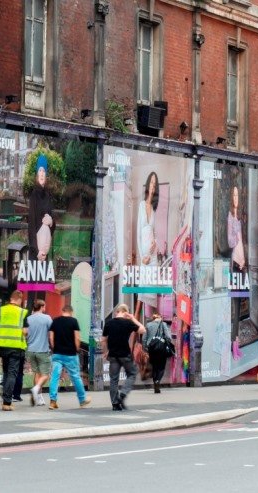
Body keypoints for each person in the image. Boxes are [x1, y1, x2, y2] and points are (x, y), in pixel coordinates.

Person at [0, 290, 29, 411]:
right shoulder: (22, 312)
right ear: (19, 299)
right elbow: (25, 331)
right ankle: (7, 402)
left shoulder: (0, 311)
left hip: (3, 347)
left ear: (11, 299)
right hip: (16, 347)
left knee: (6, 372)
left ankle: (5, 396)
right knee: (12, 373)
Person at [102, 304, 146, 410]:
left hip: (113, 355)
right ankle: (123, 394)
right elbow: (142, 330)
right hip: (125, 355)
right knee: (132, 373)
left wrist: (106, 351)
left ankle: (115, 404)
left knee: (113, 380)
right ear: (126, 313)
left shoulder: (109, 323)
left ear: (116, 312)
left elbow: (103, 339)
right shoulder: (128, 323)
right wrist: (133, 318)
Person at [48, 305, 91, 409]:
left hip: (57, 354)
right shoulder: (73, 321)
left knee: (55, 377)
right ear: (71, 312)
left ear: (62, 311)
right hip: (70, 354)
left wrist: (54, 348)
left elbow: (51, 337)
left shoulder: (55, 321)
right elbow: (77, 338)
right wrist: (77, 349)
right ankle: (82, 400)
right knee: (76, 377)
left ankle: (53, 401)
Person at [136, 171, 159, 317]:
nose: (152, 186)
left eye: (155, 184)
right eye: (151, 182)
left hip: (154, 257)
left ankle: (153, 334)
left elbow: (154, 234)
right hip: (145, 259)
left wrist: (154, 244)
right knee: (140, 299)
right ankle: (133, 338)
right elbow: (138, 235)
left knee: (153, 297)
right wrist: (142, 256)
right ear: (147, 184)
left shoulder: (154, 210)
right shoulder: (141, 205)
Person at [27, 154, 56, 262]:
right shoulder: (33, 195)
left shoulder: (48, 196)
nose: (42, 174)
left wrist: (51, 221)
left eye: (44, 171)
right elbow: (31, 226)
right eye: (40, 171)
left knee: (44, 279)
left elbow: (53, 224)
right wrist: (37, 251)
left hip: (45, 252)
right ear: (37, 174)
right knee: (35, 279)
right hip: (37, 253)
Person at [228, 185, 245, 361]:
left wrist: (244, 259)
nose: (236, 197)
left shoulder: (238, 216)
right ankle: (233, 345)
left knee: (239, 307)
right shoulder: (230, 217)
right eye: (233, 195)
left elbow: (241, 243)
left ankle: (237, 344)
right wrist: (238, 260)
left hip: (241, 264)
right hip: (234, 264)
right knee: (234, 307)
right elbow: (231, 241)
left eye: (237, 194)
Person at [25, 299, 53, 406]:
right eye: (44, 307)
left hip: (31, 350)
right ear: (41, 307)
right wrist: (53, 346)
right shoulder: (47, 318)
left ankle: (39, 397)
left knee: (37, 373)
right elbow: (51, 334)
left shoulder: (28, 319)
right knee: (45, 374)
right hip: (43, 350)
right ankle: (36, 389)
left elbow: (25, 334)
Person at [143, 311, 171, 394]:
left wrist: (146, 348)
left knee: (154, 366)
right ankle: (158, 380)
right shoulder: (163, 324)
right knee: (161, 367)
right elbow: (168, 337)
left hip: (152, 348)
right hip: (162, 348)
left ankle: (155, 381)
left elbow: (144, 338)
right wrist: (168, 344)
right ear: (160, 317)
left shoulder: (148, 325)